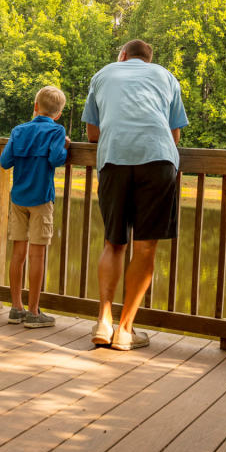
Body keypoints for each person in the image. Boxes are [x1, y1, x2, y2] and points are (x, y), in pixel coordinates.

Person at [83, 39, 188, 350]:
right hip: (158, 157)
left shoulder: (103, 74)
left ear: (123, 55)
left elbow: (92, 133)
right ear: (148, 59)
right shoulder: (167, 77)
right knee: (145, 248)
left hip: (114, 158)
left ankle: (104, 321)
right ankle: (125, 330)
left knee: (114, 242)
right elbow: (175, 134)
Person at [0, 86, 69, 328]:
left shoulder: (19, 130)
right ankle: (34, 312)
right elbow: (57, 159)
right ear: (58, 114)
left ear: (35, 106)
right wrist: (65, 144)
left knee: (18, 253)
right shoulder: (56, 130)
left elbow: (4, 161)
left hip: (18, 198)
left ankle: (16, 308)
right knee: (37, 254)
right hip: (41, 198)